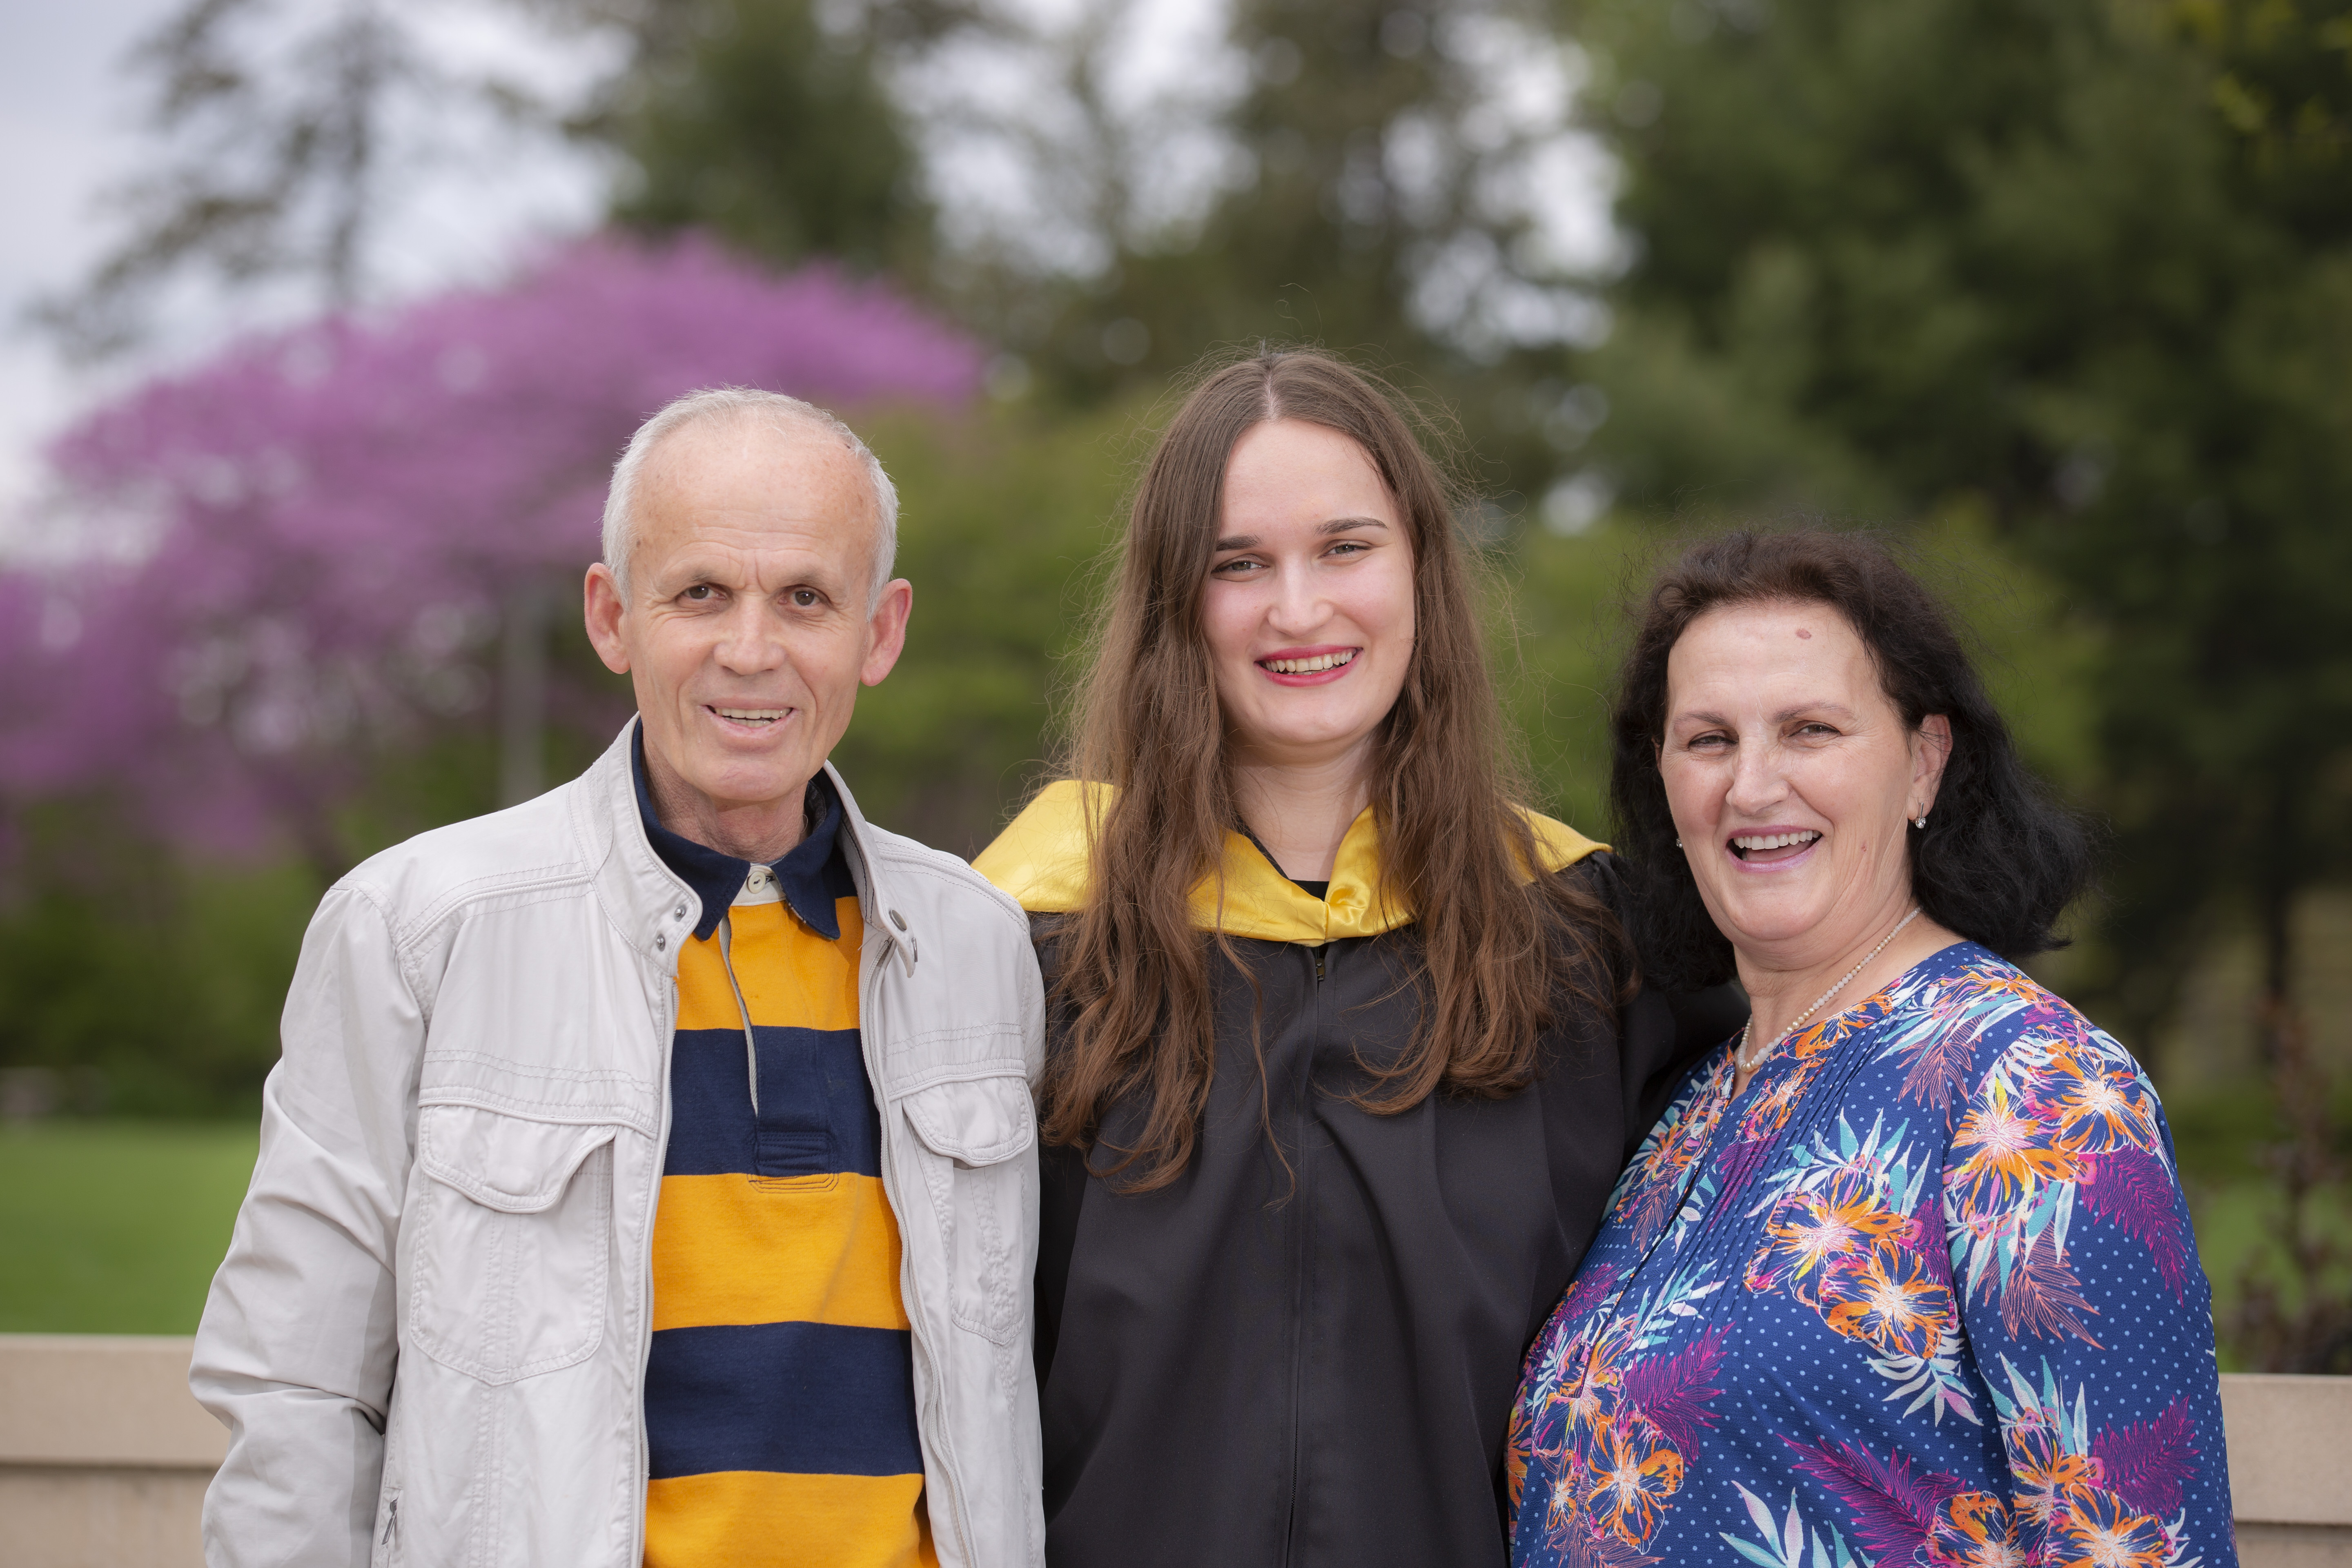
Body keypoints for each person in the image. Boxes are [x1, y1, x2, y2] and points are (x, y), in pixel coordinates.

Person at [192, 388, 1047, 1568]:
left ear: (881, 631)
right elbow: (298, 1384)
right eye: (701, 593)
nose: (752, 649)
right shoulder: (418, 928)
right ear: (612, 616)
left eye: (807, 598)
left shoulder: (981, 947)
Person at [971, 350, 1732, 1568]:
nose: (1298, 609)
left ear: (1421, 568)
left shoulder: (1591, 944)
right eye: (1238, 565)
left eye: (1345, 548)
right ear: (1177, 602)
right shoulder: (1025, 942)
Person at [1507, 530, 2235, 1568]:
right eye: (1709, 740)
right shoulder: (1695, 1100)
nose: (1753, 788)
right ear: (1664, 785)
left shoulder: (2036, 1090)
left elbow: (2134, 1545)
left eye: (1810, 730)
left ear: (1924, 763)